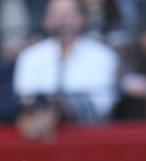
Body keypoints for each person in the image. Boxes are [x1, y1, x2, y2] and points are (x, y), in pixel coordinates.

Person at [13, 0, 120, 130]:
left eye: (69, 14)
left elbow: (104, 103)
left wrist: (63, 109)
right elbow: (24, 97)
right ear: (46, 19)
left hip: (89, 132)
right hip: (38, 132)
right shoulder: (30, 57)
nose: (63, 21)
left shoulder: (103, 56)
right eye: (57, 15)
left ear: (82, 18)